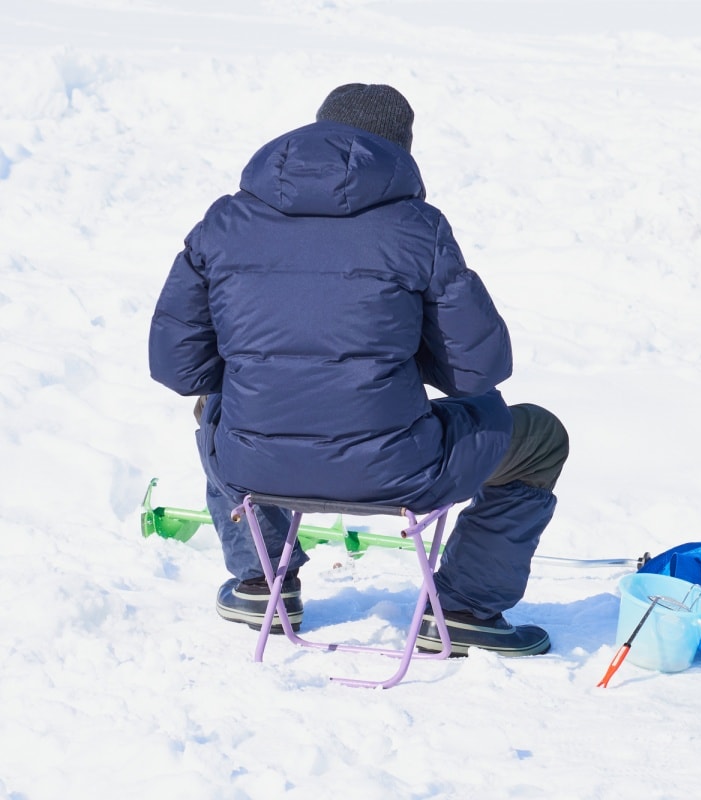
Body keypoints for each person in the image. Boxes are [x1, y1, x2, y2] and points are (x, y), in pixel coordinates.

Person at [148, 83, 568, 657]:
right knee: (540, 436)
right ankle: (466, 608)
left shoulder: (224, 221)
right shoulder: (418, 227)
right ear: (399, 152)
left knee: (219, 406)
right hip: (400, 471)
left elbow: (178, 369)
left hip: (253, 466)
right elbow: (479, 371)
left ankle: (260, 581)